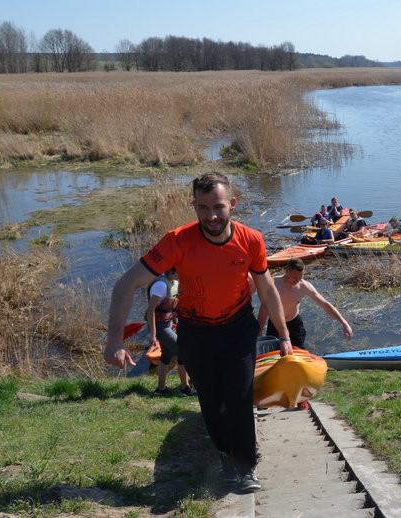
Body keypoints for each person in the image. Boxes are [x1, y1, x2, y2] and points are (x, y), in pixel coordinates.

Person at [103, 172, 291, 493]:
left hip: (237, 328)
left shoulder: (251, 240)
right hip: (196, 330)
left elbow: (267, 288)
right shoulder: (177, 240)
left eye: (218, 206)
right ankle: (223, 452)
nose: (211, 216)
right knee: (211, 400)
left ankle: (244, 465)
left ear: (232, 204)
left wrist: (284, 336)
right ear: (193, 206)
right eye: (203, 208)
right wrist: (115, 340)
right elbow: (127, 283)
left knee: (239, 396)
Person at [257, 258, 353, 349]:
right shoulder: (273, 284)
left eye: (300, 277)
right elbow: (264, 308)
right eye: (295, 277)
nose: (297, 280)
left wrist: (343, 322)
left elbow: (325, 304)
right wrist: (259, 330)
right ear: (287, 271)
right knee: (273, 354)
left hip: (294, 324)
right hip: (275, 323)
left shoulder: (304, 286)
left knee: (299, 353)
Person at [144, 268, 193, 397]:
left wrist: (176, 322)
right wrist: (153, 335)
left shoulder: (174, 283)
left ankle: (161, 389)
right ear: (173, 272)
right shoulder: (160, 285)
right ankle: (185, 388)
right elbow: (150, 311)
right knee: (182, 350)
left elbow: (173, 306)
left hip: (168, 325)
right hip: (159, 327)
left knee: (167, 355)